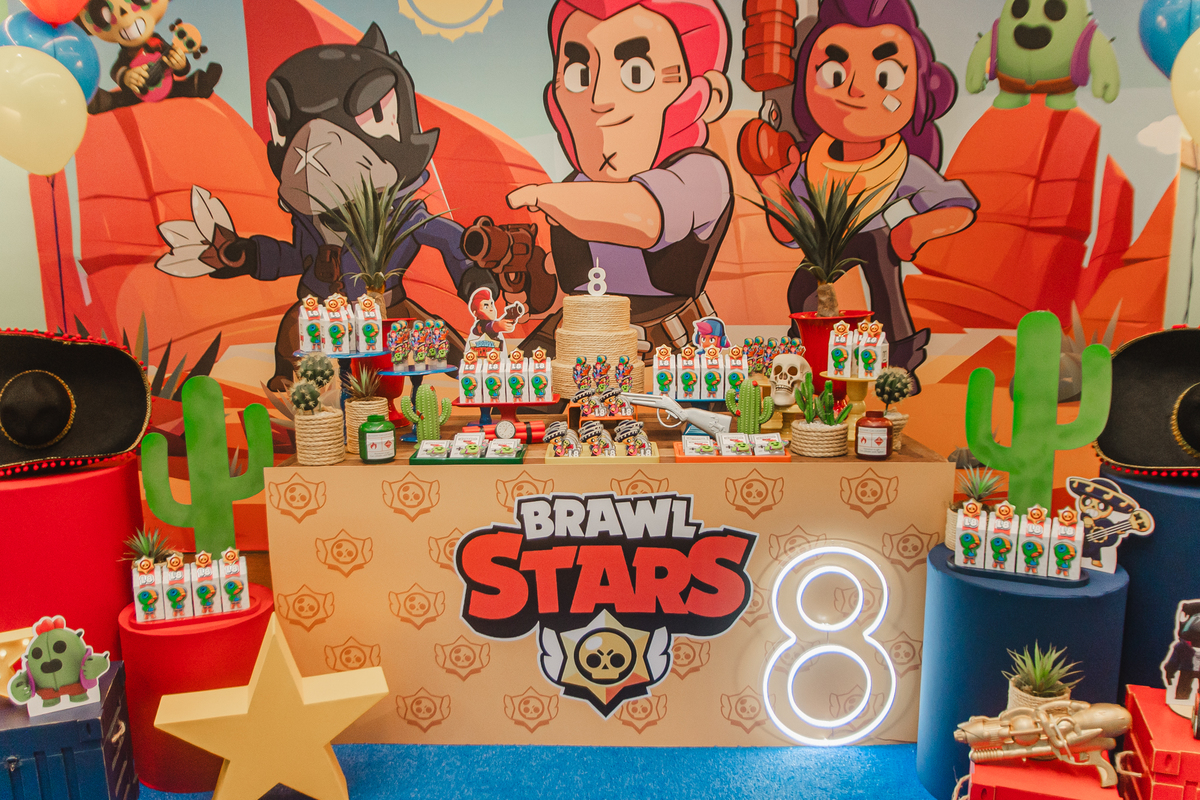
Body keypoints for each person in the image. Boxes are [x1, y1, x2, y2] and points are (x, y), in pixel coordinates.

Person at [742, 0, 977, 383]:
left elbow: (959, 205)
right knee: (801, 291)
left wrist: (916, 230)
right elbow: (789, 234)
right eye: (834, 73)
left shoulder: (899, 163)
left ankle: (899, 363)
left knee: (885, 281)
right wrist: (771, 184)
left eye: (886, 75)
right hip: (826, 241)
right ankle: (806, 358)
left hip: (875, 235)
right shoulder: (811, 164)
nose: (855, 89)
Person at [508, 0, 733, 356]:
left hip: (671, 343)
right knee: (519, 379)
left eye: (636, 73)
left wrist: (542, 196)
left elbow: (645, 218)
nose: (600, 98)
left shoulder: (702, 174)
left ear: (708, 96)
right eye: (579, 75)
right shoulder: (573, 189)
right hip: (585, 332)